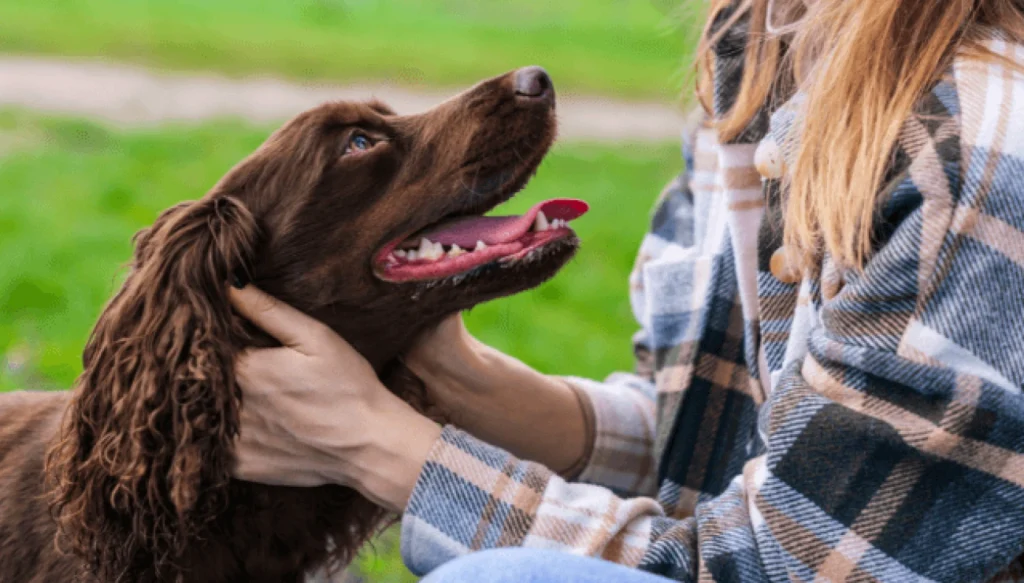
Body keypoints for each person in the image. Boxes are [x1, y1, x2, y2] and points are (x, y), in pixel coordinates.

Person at [227, 0, 1024, 581]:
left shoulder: (973, 152)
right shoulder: (759, 45)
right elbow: (712, 434)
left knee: (501, 579)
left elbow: (784, 565)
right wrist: (456, 385)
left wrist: (382, 447)